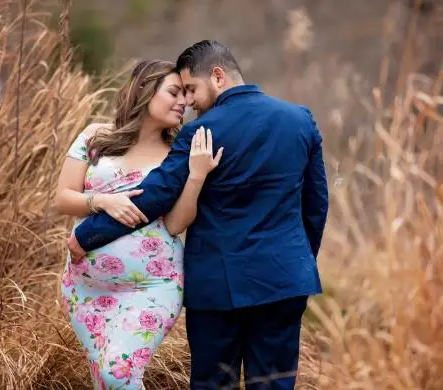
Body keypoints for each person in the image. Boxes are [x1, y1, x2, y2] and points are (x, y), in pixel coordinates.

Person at [68, 40, 329, 390]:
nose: (189, 101)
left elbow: (154, 196)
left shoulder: (201, 132)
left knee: (212, 384)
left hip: (217, 286)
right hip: (283, 281)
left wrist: (87, 235)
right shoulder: (300, 119)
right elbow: (316, 204)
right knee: (273, 383)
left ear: (218, 77)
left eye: (191, 89)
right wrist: (298, 260)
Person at [55, 59, 222, 389]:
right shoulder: (95, 136)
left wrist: (197, 175)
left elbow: (176, 224)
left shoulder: (177, 154)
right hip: (86, 288)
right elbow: (62, 198)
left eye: (187, 97)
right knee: (104, 379)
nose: (183, 102)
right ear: (145, 91)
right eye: (174, 92)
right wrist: (100, 201)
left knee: (116, 373)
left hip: (152, 285)